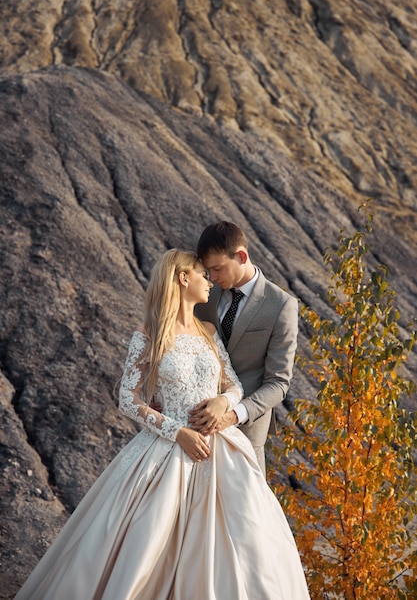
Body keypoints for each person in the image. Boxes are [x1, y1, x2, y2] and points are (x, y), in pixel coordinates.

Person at [15, 249, 309, 600]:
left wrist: (223, 402)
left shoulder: (209, 330)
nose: (210, 282)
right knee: (148, 539)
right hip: (168, 448)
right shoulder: (149, 334)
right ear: (183, 278)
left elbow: (234, 384)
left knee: (249, 542)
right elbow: (128, 397)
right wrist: (177, 432)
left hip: (223, 447)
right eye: (203, 274)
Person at [192, 221, 298, 475]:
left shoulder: (281, 305)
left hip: (246, 432)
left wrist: (231, 416)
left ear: (241, 256)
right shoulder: (205, 298)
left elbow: (278, 383)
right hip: (196, 429)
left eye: (217, 269)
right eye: (208, 271)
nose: (213, 278)